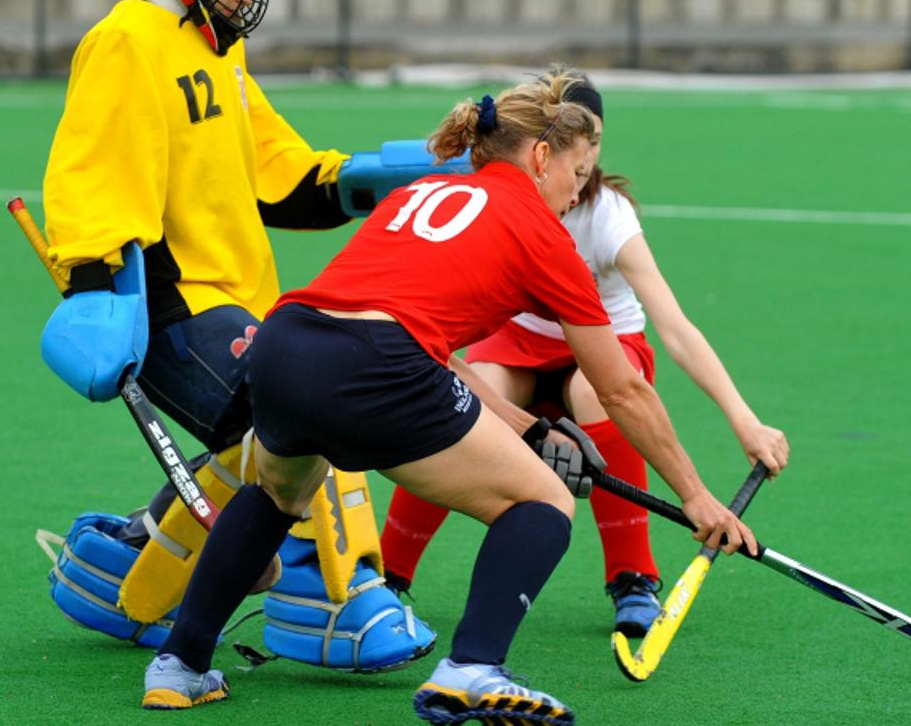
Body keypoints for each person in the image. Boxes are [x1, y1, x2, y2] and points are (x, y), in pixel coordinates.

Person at [142, 72, 759, 725]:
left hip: (285, 344)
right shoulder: (543, 233)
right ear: (540, 156)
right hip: (378, 364)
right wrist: (695, 495)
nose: (578, 192)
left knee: (279, 493)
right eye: (576, 174)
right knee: (541, 501)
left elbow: (419, 339)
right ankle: (472, 668)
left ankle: (179, 667)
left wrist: (528, 429)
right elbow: (621, 387)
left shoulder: (425, 190)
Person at [38, 0, 435, 670]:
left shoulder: (219, 49)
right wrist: (95, 286)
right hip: (169, 302)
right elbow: (91, 170)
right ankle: (321, 596)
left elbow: (275, 173)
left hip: (241, 297)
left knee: (265, 436)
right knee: (303, 416)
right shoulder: (126, 41)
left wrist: (371, 177)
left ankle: (127, 563)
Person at [379, 69, 790, 638]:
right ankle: (384, 576)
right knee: (470, 396)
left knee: (595, 390)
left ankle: (632, 578)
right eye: (580, 138)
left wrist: (744, 420)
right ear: (541, 146)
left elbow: (674, 327)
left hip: (605, 348)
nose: (589, 152)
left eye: (596, 138)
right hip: (518, 345)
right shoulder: (499, 197)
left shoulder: (607, 214)